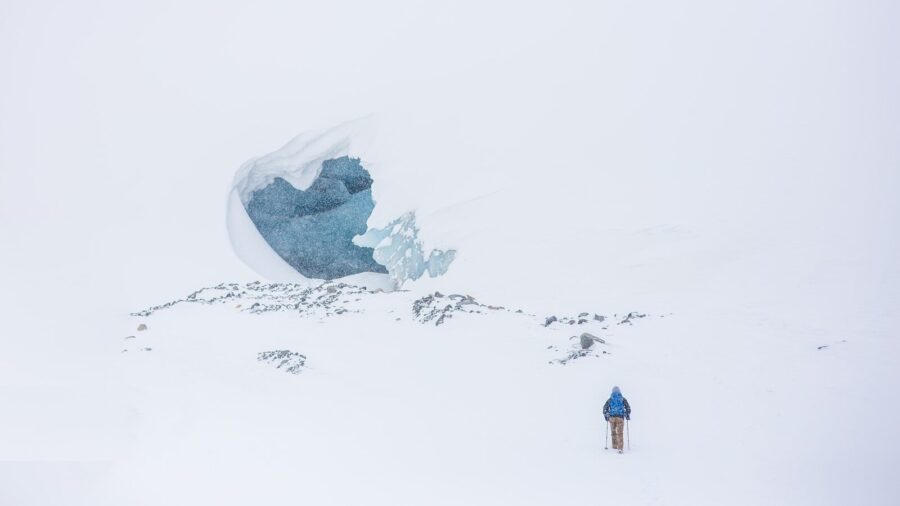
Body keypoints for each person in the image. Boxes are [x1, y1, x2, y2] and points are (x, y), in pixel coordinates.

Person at [603, 386, 631, 453]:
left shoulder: (610, 399)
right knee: (620, 433)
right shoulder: (623, 399)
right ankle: (620, 448)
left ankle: (614, 446)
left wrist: (606, 415)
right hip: (620, 418)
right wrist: (627, 414)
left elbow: (604, 408)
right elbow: (628, 408)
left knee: (613, 432)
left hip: (612, 418)